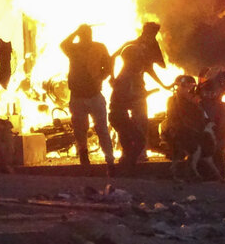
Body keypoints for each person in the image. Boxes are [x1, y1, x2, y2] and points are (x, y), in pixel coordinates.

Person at [112, 22, 172, 161]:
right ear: (146, 32)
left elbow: (149, 69)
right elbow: (113, 57)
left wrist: (163, 85)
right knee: (124, 121)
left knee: (141, 120)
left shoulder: (150, 48)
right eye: (152, 34)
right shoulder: (130, 46)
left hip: (138, 87)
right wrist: (112, 77)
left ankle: (140, 151)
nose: (154, 37)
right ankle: (127, 152)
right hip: (126, 87)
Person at [60, 24, 115, 173]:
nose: (86, 37)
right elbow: (63, 44)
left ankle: (109, 160)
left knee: (102, 128)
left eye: (87, 34)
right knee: (80, 129)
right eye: (83, 34)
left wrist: (99, 78)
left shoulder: (99, 47)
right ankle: (84, 156)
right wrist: (75, 32)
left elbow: (108, 66)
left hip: (95, 95)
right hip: (77, 96)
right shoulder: (73, 48)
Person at [164, 75, 222, 181]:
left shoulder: (195, 102)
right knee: (195, 147)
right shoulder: (173, 101)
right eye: (184, 86)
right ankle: (190, 172)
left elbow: (202, 116)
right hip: (179, 131)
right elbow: (177, 120)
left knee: (207, 146)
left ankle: (212, 174)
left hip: (194, 131)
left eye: (190, 87)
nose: (187, 89)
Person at [108, 44, 149, 173]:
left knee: (127, 144)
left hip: (119, 115)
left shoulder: (126, 74)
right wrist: (141, 96)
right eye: (137, 57)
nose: (140, 60)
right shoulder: (127, 76)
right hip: (119, 115)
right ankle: (127, 167)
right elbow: (123, 98)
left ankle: (125, 168)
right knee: (139, 140)